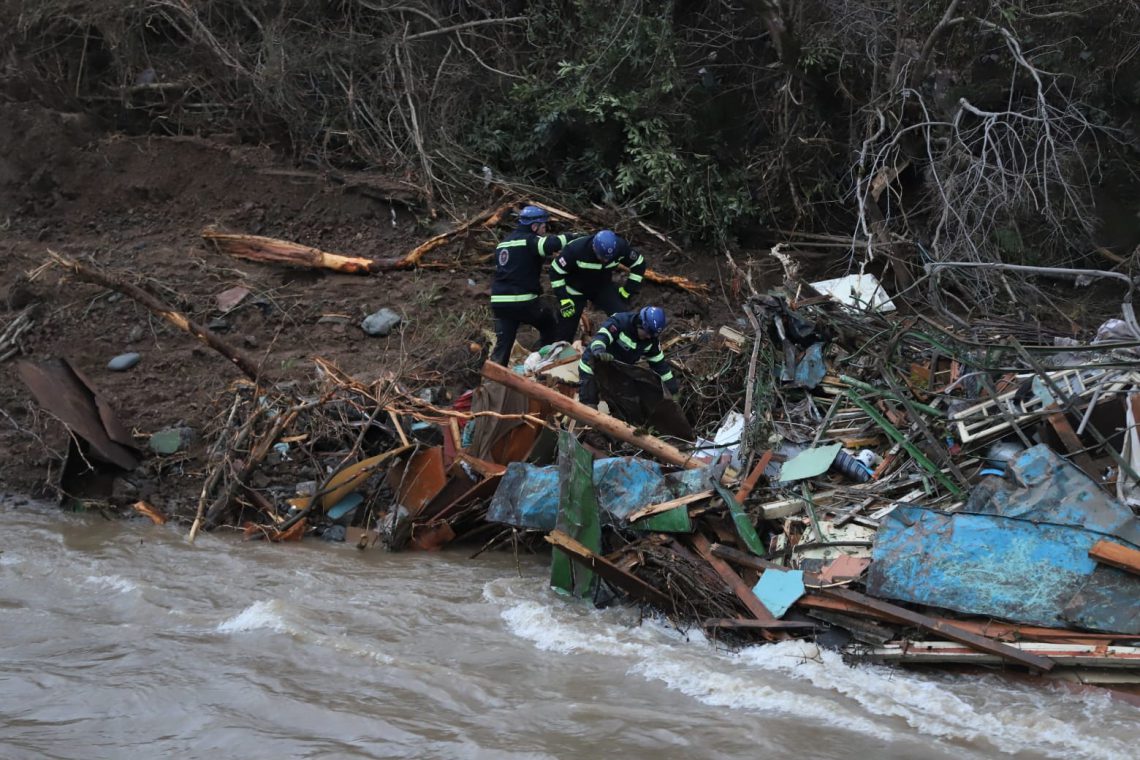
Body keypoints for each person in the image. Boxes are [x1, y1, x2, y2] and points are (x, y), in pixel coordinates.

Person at [488, 205, 571, 365]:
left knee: (503, 344)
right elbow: (550, 244)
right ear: (534, 226)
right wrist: (572, 237)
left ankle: (494, 382)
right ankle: (544, 363)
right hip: (522, 301)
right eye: (543, 226)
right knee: (549, 323)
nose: (545, 229)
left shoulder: (503, 244)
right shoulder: (530, 240)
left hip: (499, 303)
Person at [549, 229, 646, 343]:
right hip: (575, 289)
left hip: (602, 287)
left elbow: (639, 264)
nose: (605, 260)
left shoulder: (621, 247)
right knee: (566, 327)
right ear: (594, 247)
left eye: (608, 258)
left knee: (622, 317)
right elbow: (555, 272)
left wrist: (627, 291)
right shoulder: (576, 249)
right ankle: (560, 354)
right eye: (602, 257)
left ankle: (624, 349)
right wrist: (564, 299)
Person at [578, 306, 679, 407]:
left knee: (624, 409)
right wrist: (599, 350)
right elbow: (601, 337)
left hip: (615, 375)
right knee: (589, 407)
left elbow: (661, 367)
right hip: (591, 368)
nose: (648, 337)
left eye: (652, 335)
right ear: (640, 324)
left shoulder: (651, 341)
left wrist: (673, 390)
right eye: (647, 333)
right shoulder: (620, 321)